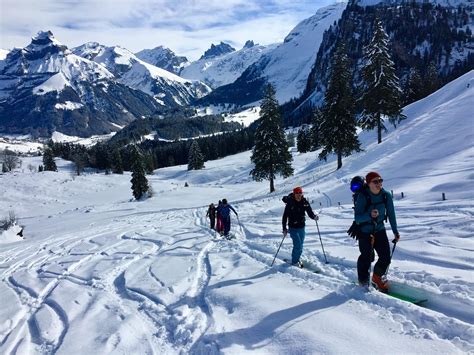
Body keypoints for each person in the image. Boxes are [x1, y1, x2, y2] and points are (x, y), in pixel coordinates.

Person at [354, 171, 400, 291]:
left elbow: (391, 213)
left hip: (379, 230)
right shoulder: (363, 196)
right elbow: (357, 218)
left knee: (385, 257)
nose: (379, 183)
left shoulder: (386, 195)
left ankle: (376, 277)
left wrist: (395, 231)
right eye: (375, 181)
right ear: (368, 183)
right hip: (365, 231)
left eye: (380, 180)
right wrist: (370, 215)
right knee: (367, 257)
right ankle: (363, 281)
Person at [282, 187, 318, 267]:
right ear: (294, 194)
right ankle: (294, 262)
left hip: (302, 226)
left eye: (300, 193)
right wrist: (284, 228)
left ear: (302, 194)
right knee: (297, 245)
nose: (298, 195)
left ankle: (296, 258)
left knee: (300, 245)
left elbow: (310, 213)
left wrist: (314, 217)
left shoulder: (305, 202)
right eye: (297, 193)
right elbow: (284, 217)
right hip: (293, 227)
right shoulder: (290, 203)